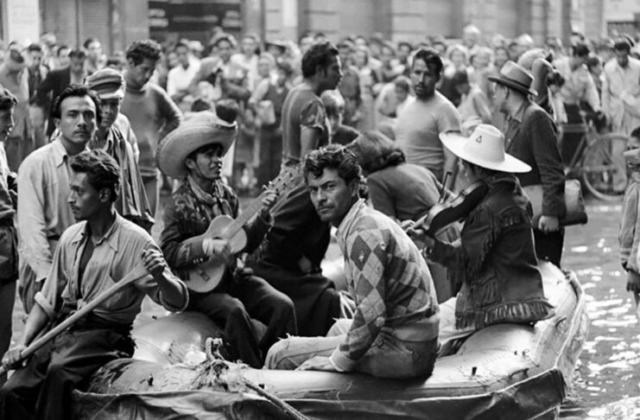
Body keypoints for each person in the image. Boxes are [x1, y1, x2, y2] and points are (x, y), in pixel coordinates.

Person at [0, 149, 188, 420]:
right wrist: (22, 343)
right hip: (63, 329)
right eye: (70, 190)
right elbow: (47, 300)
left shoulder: (137, 241)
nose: (70, 199)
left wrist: (162, 276)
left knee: (58, 372)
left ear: (103, 195)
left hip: (106, 334)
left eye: (79, 191)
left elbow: (178, 300)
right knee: (11, 392)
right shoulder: (71, 236)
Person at [265, 145, 440, 379]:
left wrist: (337, 361)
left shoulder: (363, 233)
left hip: (406, 350)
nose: (320, 198)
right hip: (410, 339)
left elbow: (372, 313)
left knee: (281, 353)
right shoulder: (362, 220)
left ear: (354, 187)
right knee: (338, 327)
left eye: (329, 186)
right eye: (313, 190)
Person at [158, 110, 296, 369]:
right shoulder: (178, 204)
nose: (217, 160)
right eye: (208, 155)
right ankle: (255, 374)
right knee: (233, 310)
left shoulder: (228, 196)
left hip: (231, 277)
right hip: (199, 288)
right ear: (190, 163)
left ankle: (275, 364)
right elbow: (167, 251)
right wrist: (205, 246)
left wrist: (264, 216)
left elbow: (247, 245)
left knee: (283, 305)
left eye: (219, 154)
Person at [407, 124, 554, 352]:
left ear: (477, 169)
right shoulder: (513, 193)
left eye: (466, 166)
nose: (464, 172)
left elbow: (464, 260)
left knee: (418, 334)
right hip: (524, 293)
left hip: (499, 303)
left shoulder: (489, 209)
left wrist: (430, 244)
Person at [347, 130, 459, 302]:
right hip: (453, 232)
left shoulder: (376, 179)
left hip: (428, 239)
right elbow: (453, 199)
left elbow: (387, 227)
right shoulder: (417, 168)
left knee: (439, 302)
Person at [17, 85, 101, 313]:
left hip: (89, 267)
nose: (82, 122)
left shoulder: (100, 166)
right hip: (47, 265)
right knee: (45, 342)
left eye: (89, 115)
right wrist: (47, 278)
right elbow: (31, 228)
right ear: (57, 123)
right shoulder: (37, 164)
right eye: (72, 115)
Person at [490, 61, 566, 266]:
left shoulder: (535, 117)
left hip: (541, 218)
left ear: (506, 91)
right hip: (523, 215)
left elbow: (552, 170)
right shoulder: (515, 119)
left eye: (496, 90)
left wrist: (551, 213)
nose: (493, 95)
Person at [85, 68, 154, 230]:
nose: (108, 111)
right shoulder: (78, 131)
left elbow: (132, 171)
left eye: (114, 104)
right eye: (102, 104)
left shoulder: (122, 125)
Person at [120, 39, 182, 218]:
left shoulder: (156, 94)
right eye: (144, 69)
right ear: (131, 63)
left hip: (149, 171)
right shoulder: (114, 92)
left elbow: (176, 118)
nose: (148, 75)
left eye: (152, 71)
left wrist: (159, 139)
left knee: (147, 224)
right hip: (120, 173)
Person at [395, 48, 462, 191]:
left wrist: (445, 196)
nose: (421, 80)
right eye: (417, 73)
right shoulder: (407, 106)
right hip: (405, 184)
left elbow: (452, 160)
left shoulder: (445, 109)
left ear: (438, 78)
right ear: (410, 73)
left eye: (427, 75)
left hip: (429, 187)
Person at [280, 41, 342, 169]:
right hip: (300, 182)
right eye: (335, 69)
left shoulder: (295, 91)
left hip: (286, 176)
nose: (340, 74)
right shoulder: (313, 103)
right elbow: (308, 159)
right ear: (320, 70)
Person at [553, 43, 601, 165]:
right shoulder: (559, 65)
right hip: (557, 104)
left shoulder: (584, 72)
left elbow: (591, 91)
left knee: (579, 133)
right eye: (581, 58)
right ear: (574, 55)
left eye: (585, 59)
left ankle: (573, 165)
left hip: (572, 106)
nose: (582, 62)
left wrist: (596, 107)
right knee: (558, 135)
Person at [0, 90, 18, 386]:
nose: (11, 124)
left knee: (3, 331)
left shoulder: (0, 148)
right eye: (5, 118)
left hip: (5, 241)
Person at [31, 49, 87, 138]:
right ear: (71, 61)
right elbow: (41, 90)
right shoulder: (58, 75)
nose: (78, 68)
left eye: (81, 64)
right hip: (60, 119)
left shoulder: (89, 76)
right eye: (75, 64)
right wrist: (51, 105)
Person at [0, 47, 32, 172]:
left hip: (25, 127)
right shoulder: (1, 74)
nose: (20, 71)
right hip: (8, 131)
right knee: (11, 168)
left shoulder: (24, 73)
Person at [619, 128, 640, 309]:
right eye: (628, 148)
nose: (630, 154)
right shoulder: (635, 180)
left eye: (636, 149)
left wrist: (634, 268)